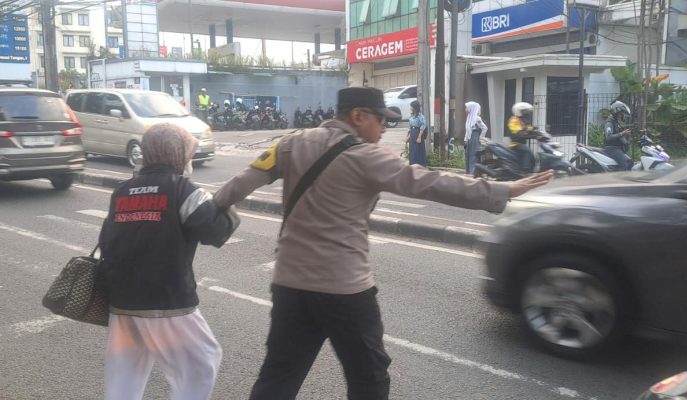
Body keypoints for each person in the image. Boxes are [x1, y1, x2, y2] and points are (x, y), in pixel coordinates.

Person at [213, 87, 554, 400]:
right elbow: (429, 182)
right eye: (380, 122)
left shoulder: (290, 143)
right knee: (369, 379)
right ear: (358, 116)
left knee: (278, 378)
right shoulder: (366, 156)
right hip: (344, 289)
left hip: (290, 284)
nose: (382, 131)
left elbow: (241, 182)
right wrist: (502, 190)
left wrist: (209, 209)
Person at [98, 123, 240, 400]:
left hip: (122, 301)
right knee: (201, 363)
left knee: (124, 376)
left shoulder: (122, 191)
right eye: (188, 153)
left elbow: (107, 241)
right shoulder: (182, 190)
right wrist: (226, 203)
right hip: (168, 301)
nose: (189, 160)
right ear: (177, 153)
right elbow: (217, 231)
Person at [507, 102, 537, 172]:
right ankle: (525, 171)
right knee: (527, 152)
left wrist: (536, 131)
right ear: (518, 111)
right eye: (524, 111)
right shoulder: (513, 120)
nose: (526, 113)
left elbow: (529, 128)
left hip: (521, 143)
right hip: (515, 143)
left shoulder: (524, 120)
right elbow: (518, 133)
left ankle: (531, 169)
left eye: (526, 111)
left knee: (531, 155)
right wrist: (530, 135)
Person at [604, 100, 633, 171]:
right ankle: (618, 180)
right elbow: (609, 137)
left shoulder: (616, 122)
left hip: (618, 149)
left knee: (630, 162)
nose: (622, 115)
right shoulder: (609, 122)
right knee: (624, 164)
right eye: (621, 113)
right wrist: (622, 133)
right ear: (616, 112)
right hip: (612, 149)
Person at [464, 101, 488, 175]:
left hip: (475, 138)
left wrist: (481, 138)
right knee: (468, 156)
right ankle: (469, 172)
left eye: (467, 107)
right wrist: (465, 140)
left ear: (472, 108)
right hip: (469, 139)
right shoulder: (469, 118)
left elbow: (485, 128)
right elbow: (468, 130)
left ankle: (473, 173)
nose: (465, 109)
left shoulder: (477, 118)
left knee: (473, 156)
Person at [405, 100, 427, 166]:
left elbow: (423, 126)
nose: (410, 108)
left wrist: (419, 137)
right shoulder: (411, 116)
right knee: (412, 151)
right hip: (412, 134)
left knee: (418, 151)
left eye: (411, 107)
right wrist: (407, 137)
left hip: (418, 133)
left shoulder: (421, 116)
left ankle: (420, 166)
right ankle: (412, 165)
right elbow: (410, 127)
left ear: (415, 107)